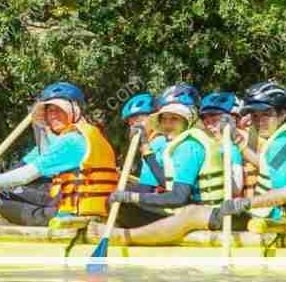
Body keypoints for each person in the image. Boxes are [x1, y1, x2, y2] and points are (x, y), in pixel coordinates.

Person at [92, 88, 247, 244]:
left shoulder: (189, 147)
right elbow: (168, 183)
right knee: (117, 203)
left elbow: (178, 197)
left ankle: (124, 236)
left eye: (174, 119)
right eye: (164, 119)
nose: (167, 124)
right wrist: (145, 147)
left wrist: (132, 197)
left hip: (207, 214)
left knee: (122, 204)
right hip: (192, 209)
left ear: (187, 122)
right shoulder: (182, 145)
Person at [0, 82, 118, 225]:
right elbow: (32, 161)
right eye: (49, 110)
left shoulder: (72, 141)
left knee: (3, 201)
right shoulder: (89, 134)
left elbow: (24, 176)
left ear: (75, 110)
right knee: (6, 192)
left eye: (59, 109)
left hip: (74, 215)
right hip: (84, 208)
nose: (53, 115)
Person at [216, 80, 286, 231]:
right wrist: (235, 135)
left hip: (280, 221)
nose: (259, 122)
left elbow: (285, 193)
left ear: (282, 114)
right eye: (255, 116)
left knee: (194, 215)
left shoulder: (283, 142)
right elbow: (264, 165)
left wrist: (241, 203)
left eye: (266, 114)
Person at [116, 93, 167, 194]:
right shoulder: (150, 142)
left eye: (138, 121)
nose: (134, 127)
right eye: (131, 124)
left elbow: (146, 189)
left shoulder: (158, 142)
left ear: (154, 118)